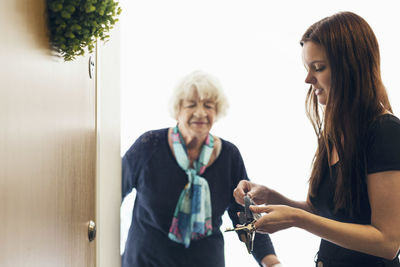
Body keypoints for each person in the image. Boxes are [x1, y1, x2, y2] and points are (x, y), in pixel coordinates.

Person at [234, 11, 400, 267]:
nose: (308, 79)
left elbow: (387, 242)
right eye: (307, 68)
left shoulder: (385, 132)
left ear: (350, 68)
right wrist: (271, 197)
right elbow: (324, 212)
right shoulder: (335, 132)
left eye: (318, 68)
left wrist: (297, 219)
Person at [122, 71, 281, 267]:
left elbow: (246, 216)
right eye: (191, 105)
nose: (200, 113)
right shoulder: (149, 145)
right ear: (177, 109)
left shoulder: (229, 155)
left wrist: (272, 263)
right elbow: (110, 196)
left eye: (208, 105)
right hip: (145, 261)